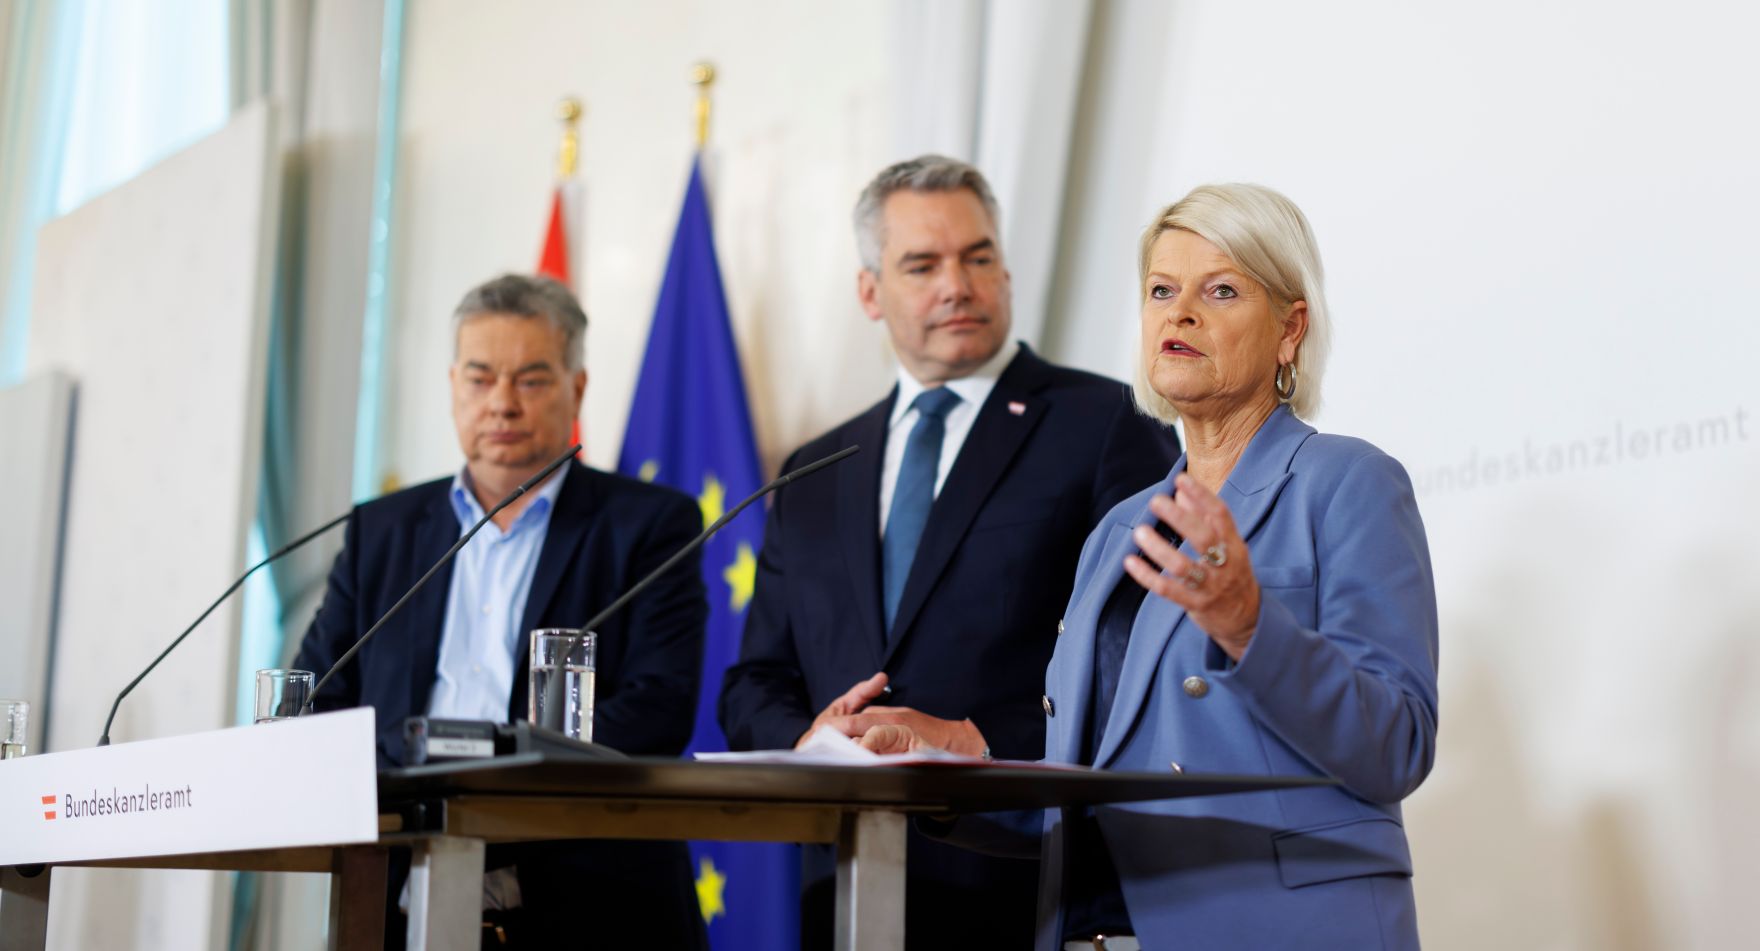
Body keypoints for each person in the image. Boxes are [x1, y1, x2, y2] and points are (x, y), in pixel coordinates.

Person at [863, 183, 1439, 950]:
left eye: (1222, 289)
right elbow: (1092, 795)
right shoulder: (1117, 531)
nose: (1180, 312)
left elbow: (1396, 742)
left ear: (1290, 328)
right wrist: (952, 766)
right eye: (1162, 290)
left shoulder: (1348, 483)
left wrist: (1248, 625)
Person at [717, 155, 1182, 948]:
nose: (956, 285)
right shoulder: (814, 469)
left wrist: (975, 740)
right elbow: (755, 677)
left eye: (977, 257)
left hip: (1018, 880)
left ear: (1004, 268)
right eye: (921, 264)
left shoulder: (1106, 422)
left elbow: (1138, 654)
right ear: (870, 291)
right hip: (843, 886)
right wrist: (812, 741)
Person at [293, 274, 708, 949]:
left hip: (592, 906)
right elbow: (315, 704)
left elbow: (659, 707)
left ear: (577, 388)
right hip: (404, 897)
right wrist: (410, 769)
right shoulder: (384, 531)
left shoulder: (649, 525)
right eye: (481, 378)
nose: (503, 404)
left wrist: (497, 763)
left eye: (533, 380)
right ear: (453, 383)